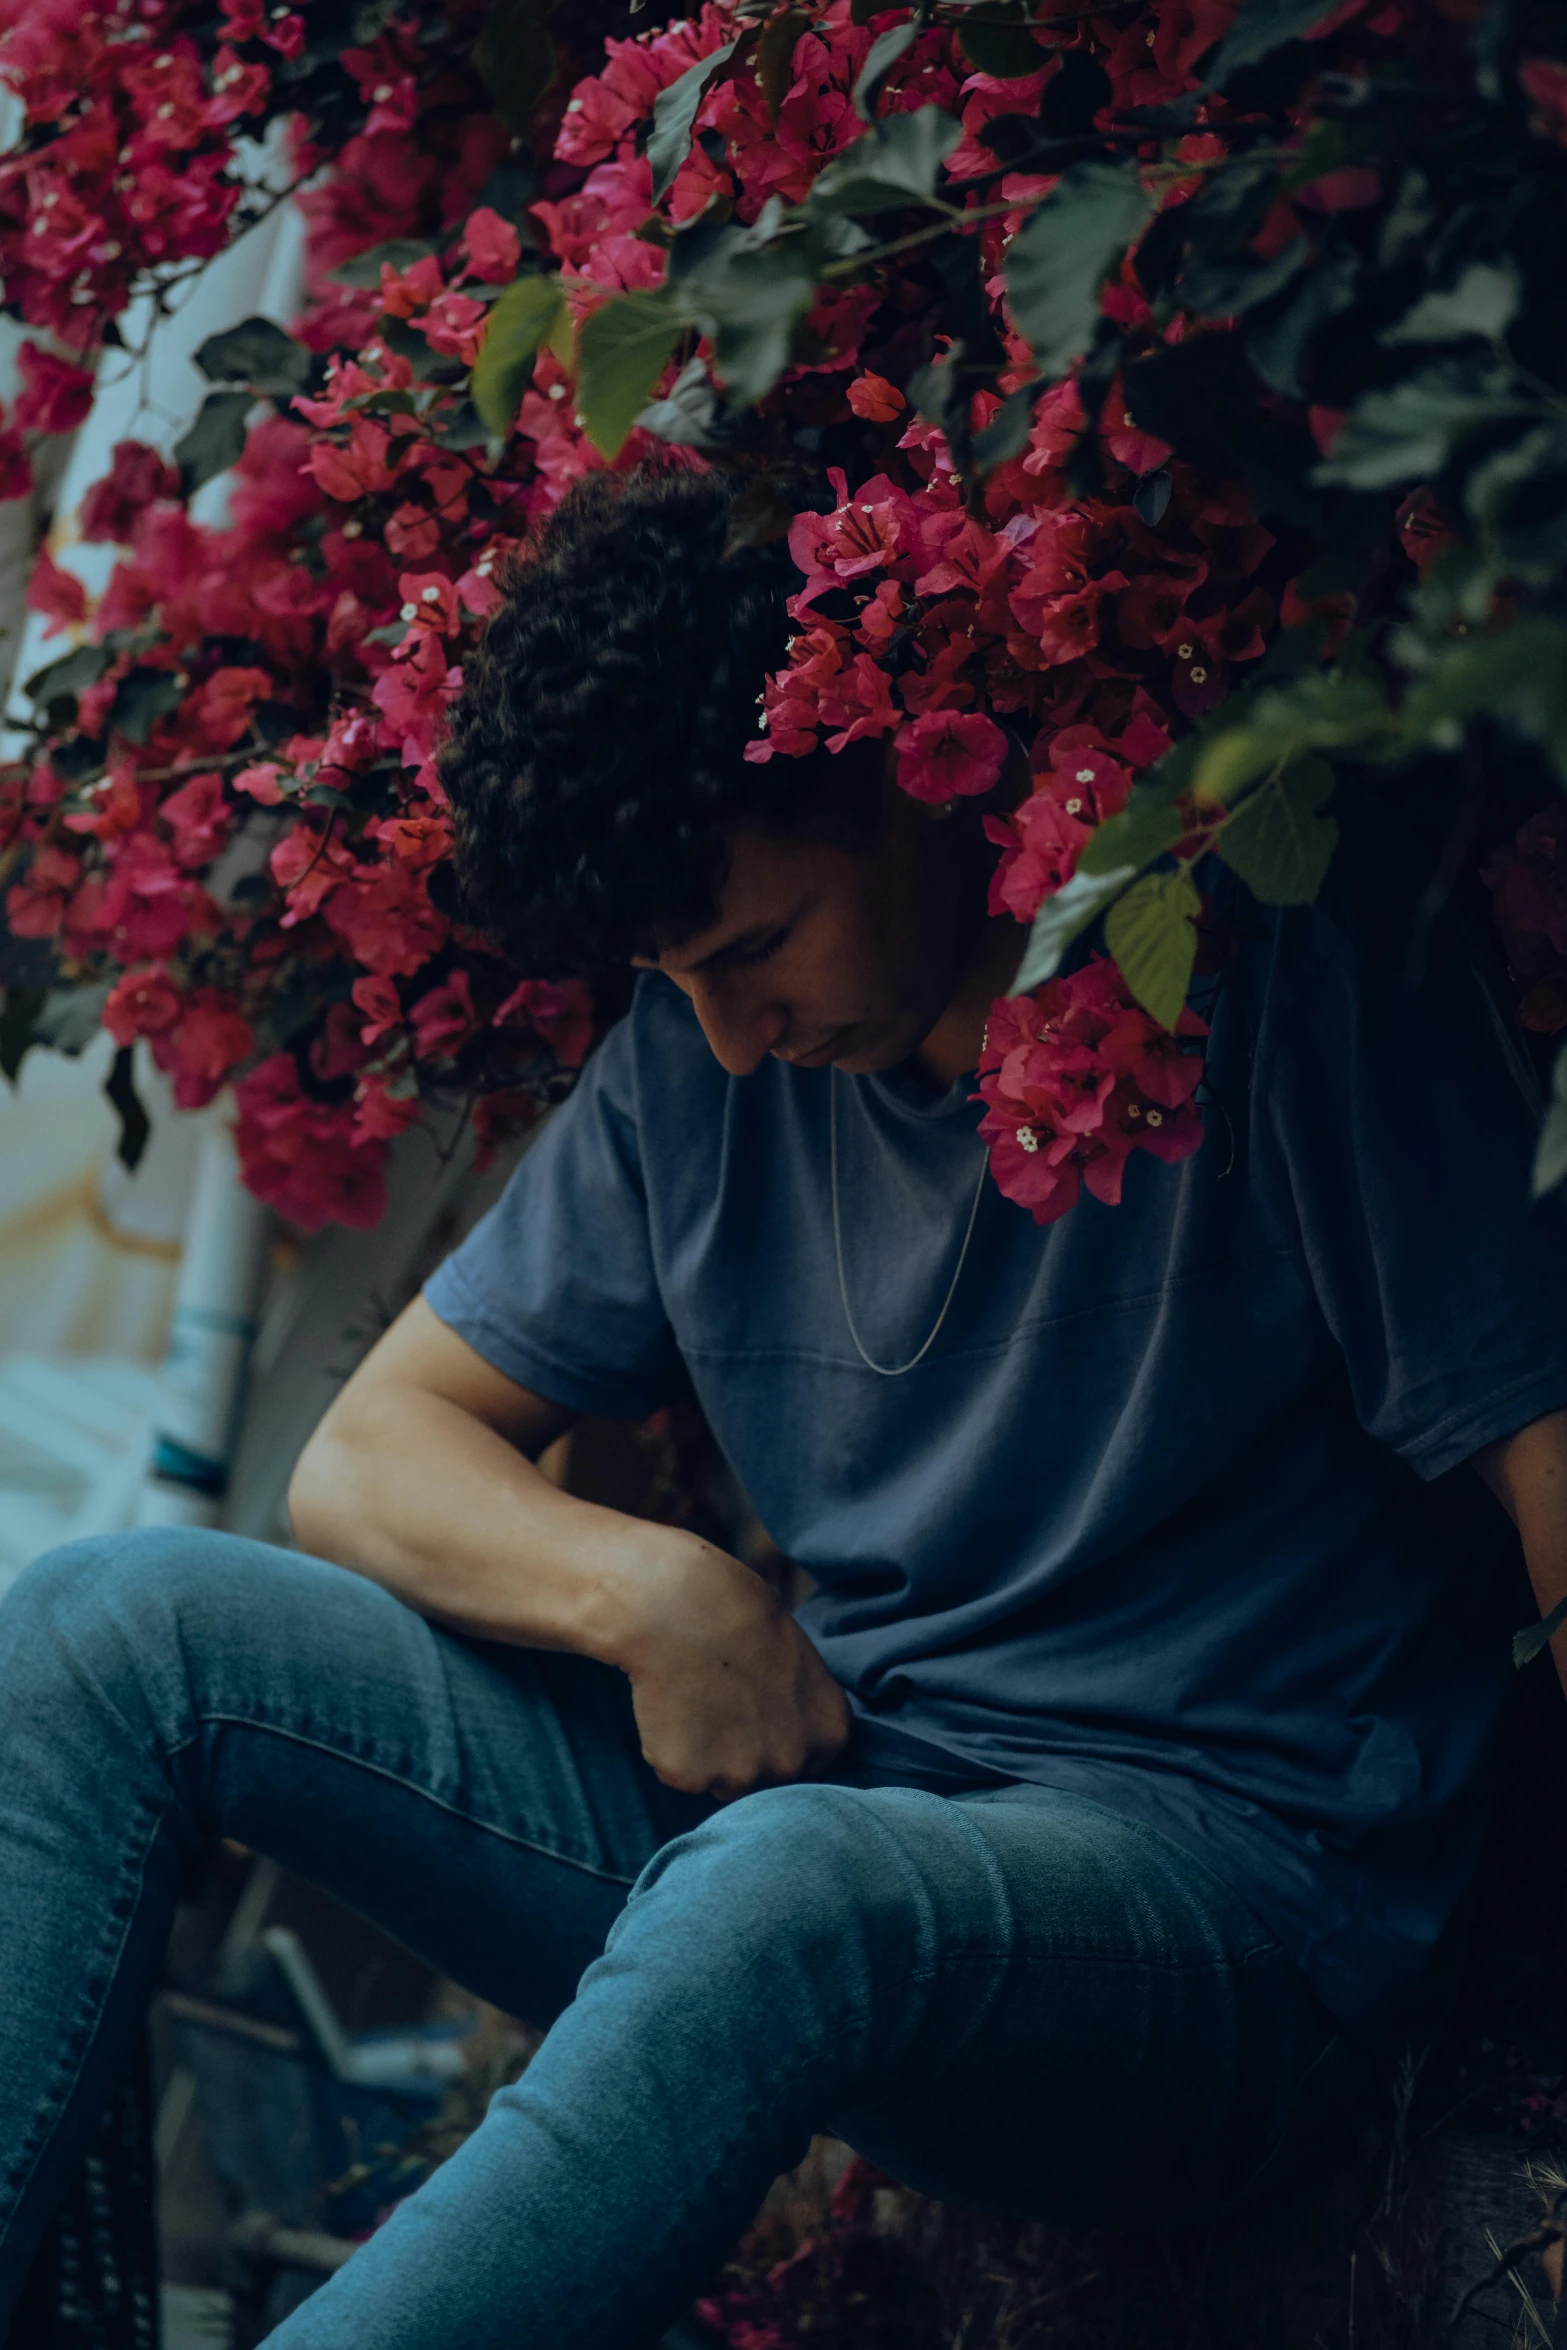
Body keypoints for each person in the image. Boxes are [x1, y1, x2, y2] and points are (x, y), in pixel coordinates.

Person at [4, 466, 1567, 2350]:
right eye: (676, 978)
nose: (730, 1033)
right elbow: (366, 1457)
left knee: (780, 1882)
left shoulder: (1269, 959)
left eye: (753, 949)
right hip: (848, 1821)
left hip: (1220, 1917)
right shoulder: (697, 1058)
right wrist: (653, 1592)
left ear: (907, 777)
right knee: (107, 1628)